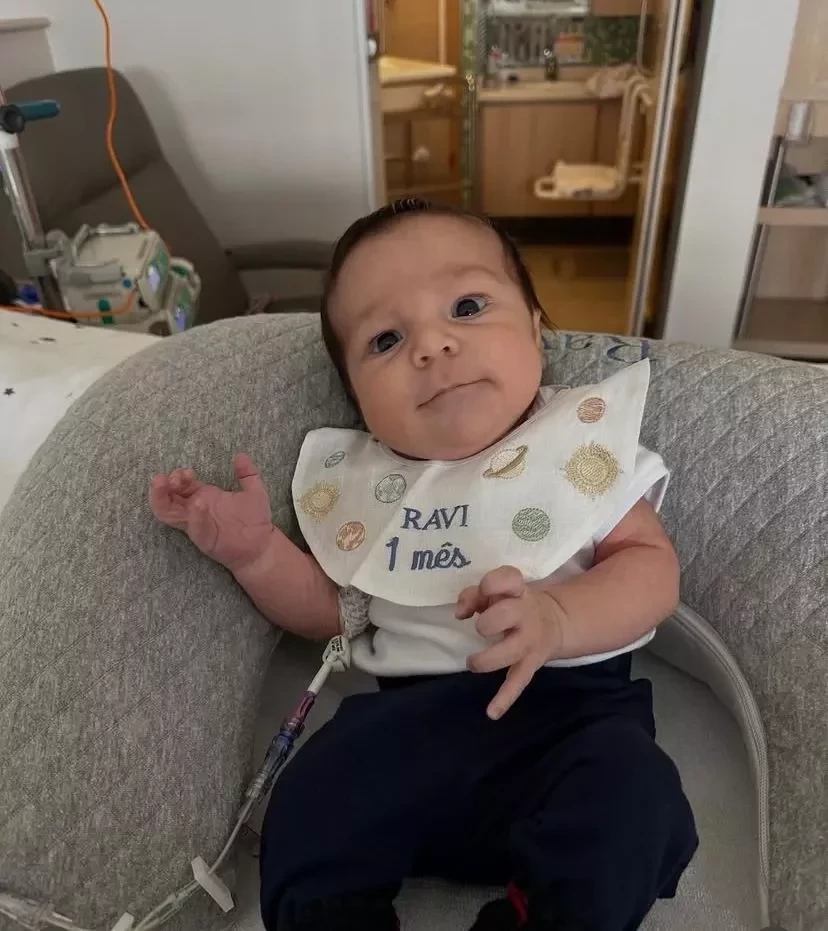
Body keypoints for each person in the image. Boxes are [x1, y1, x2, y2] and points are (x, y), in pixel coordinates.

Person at [149, 199, 697, 931]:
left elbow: (652, 569)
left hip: (570, 723)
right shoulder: (378, 490)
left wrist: (560, 616)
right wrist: (255, 552)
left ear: (537, 327)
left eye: (467, 307)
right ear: (356, 396)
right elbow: (332, 612)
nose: (433, 346)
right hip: (407, 735)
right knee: (312, 794)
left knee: (638, 796)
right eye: (385, 339)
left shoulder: (578, 449)